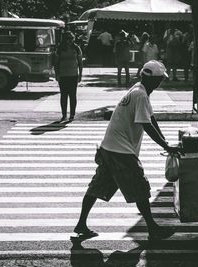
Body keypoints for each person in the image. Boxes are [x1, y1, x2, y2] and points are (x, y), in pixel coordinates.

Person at [73, 60, 182, 241]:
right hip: (120, 151)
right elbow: (146, 124)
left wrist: (165, 141)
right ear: (154, 80)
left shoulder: (138, 90)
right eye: (160, 80)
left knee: (97, 186)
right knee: (140, 187)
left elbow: (151, 118)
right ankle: (153, 229)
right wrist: (166, 146)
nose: (160, 83)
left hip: (109, 147)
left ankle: (81, 224)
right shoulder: (140, 95)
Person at [54, 31, 83, 122]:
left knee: (72, 96)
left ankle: (72, 115)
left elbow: (80, 63)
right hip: (63, 75)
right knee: (63, 96)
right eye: (67, 39)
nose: (69, 41)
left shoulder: (76, 48)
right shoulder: (60, 48)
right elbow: (56, 63)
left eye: (71, 38)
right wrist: (57, 74)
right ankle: (64, 115)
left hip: (73, 75)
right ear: (64, 39)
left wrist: (80, 74)